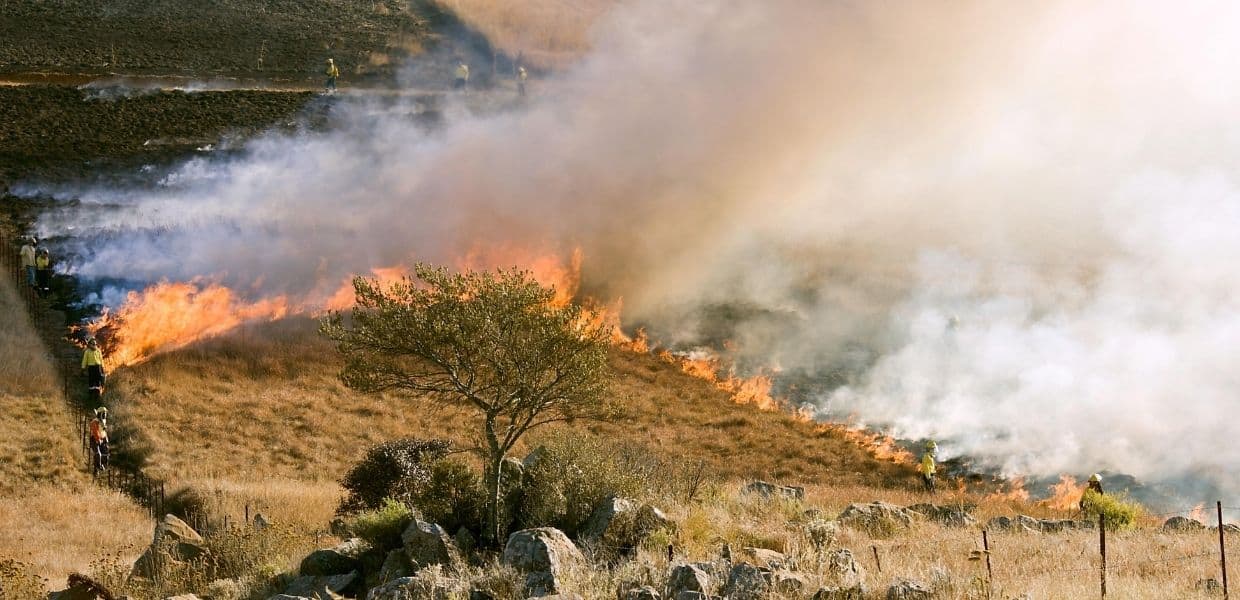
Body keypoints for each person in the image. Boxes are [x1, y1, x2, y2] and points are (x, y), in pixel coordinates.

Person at [89, 407, 109, 475]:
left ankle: (101, 466)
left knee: (105, 454)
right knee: (98, 454)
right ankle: (97, 468)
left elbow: (103, 431)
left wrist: (105, 438)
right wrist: (98, 439)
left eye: (105, 413)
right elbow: (95, 432)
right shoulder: (95, 421)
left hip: (102, 439)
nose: (105, 414)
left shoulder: (103, 421)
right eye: (104, 413)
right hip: (95, 440)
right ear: (101, 414)